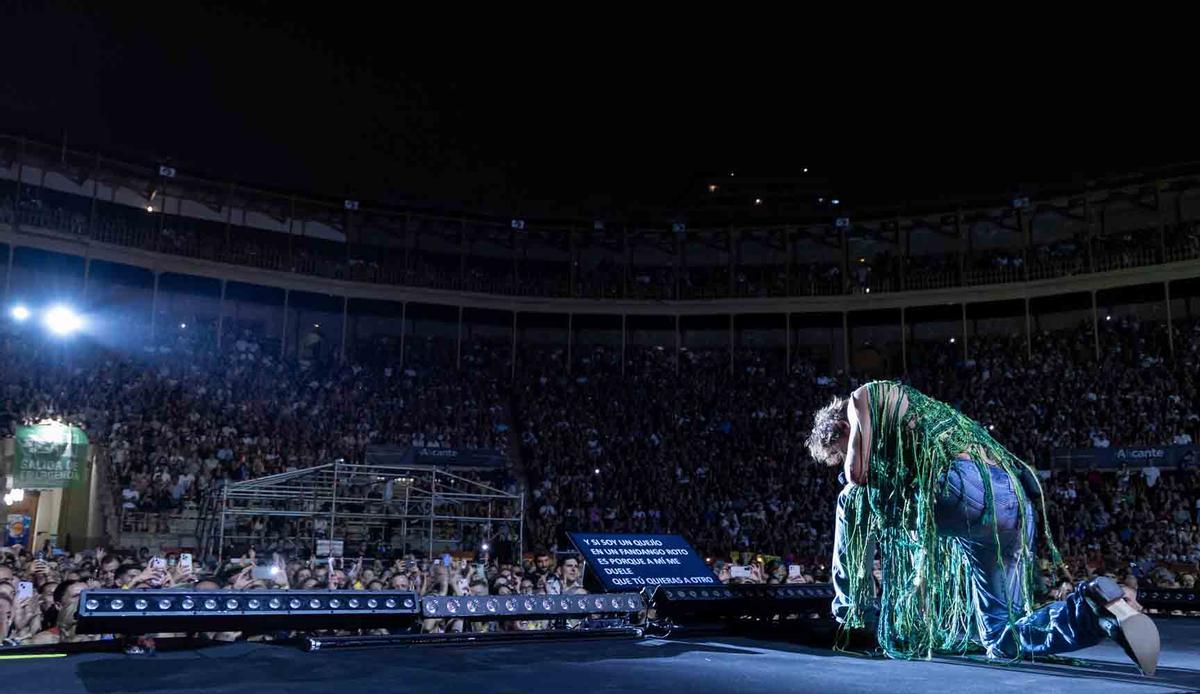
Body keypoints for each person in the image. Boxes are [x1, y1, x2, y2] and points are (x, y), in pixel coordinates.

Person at [807, 380, 1160, 674]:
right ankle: (1095, 607)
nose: (846, 451)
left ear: (838, 428)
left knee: (850, 496)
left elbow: (857, 473)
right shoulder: (927, 413)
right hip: (1011, 499)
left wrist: (849, 464)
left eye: (840, 447)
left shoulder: (865, 397)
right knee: (1002, 637)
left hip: (960, 488)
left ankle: (853, 615)